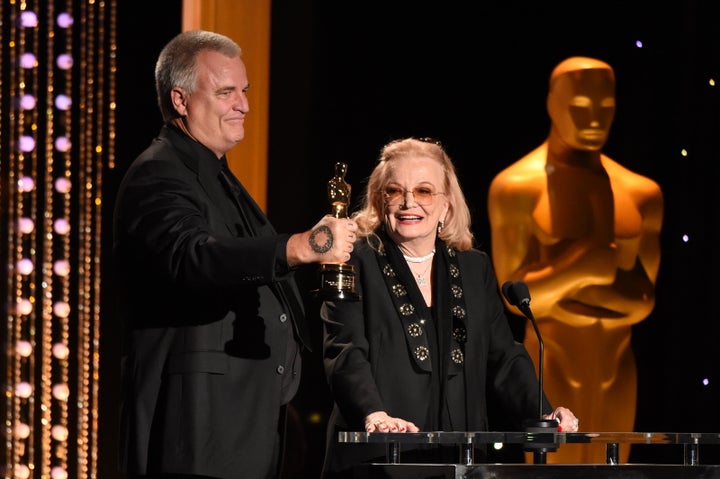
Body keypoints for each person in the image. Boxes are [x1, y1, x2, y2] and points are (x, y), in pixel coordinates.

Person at [112, 30, 358, 479]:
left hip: (242, 421)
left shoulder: (218, 177)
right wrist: (302, 245)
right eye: (226, 92)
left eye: (244, 91)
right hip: (196, 428)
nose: (243, 105)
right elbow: (193, 256)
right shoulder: (158, 173)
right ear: (181, 101)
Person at [319, 137, 579, 478]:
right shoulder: (352, 260)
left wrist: (543, 413)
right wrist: (374, 414)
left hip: (460, 459)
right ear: (379, 201)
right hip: (378, 456)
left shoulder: (474, 267)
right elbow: (345, 349)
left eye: (424, 191)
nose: (409, 202)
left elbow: (503, 356)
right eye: (395, 191)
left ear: (446, 205)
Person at [487, 56, 663, 464]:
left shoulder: (641, 193)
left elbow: (642, 300)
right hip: (553, 361)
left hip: (618, 367)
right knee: (554, 468)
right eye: (580, 106)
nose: (594, 119)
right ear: (552, 103)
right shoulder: (518, 187)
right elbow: (514, 297)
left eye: (605, 107)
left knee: (614, 469)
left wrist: (563, 286)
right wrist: (585, 265)